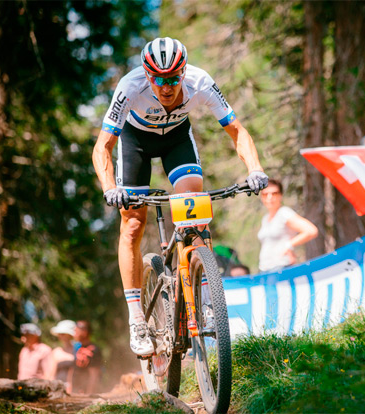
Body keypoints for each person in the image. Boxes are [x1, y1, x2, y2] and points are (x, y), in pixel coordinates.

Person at [92, 37, 269, 356]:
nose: (166, 86)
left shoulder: (200, 81)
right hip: (136, 144)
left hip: (176, 141)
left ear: (183, 73)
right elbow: (102, 146)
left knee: (195, 211)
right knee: (132, 225)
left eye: (173, 78)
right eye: (158, 79)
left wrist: (255, 168)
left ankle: (201, 293)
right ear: (147, 76)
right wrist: (109, 188)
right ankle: (137, 320)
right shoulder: (129, 86)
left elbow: (237, 131)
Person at [257, 179, 318, 272]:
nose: (270, 197)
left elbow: (311, 231)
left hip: (281, 267)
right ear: (262, 197)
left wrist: (289, 245)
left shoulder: (284, 213)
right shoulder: (265, 218)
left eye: (274, 193)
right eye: (265, 194)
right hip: (265, 269)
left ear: (280, 195)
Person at [71, 320, 102, 395]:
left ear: (84, 332)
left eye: (76, 331)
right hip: (75, 390)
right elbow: (72, 369)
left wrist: (89, 394)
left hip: (86, 392)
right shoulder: (76, 348)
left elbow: (94, 374)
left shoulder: (94, 349)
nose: (74, 334)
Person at [49, 320, 76, 392]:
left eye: (63, 333)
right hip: (58, 389)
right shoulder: (56, 352)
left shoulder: (78, 351)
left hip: (76, 388)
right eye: (59, 333)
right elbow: (51, 374)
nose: (60, 336)